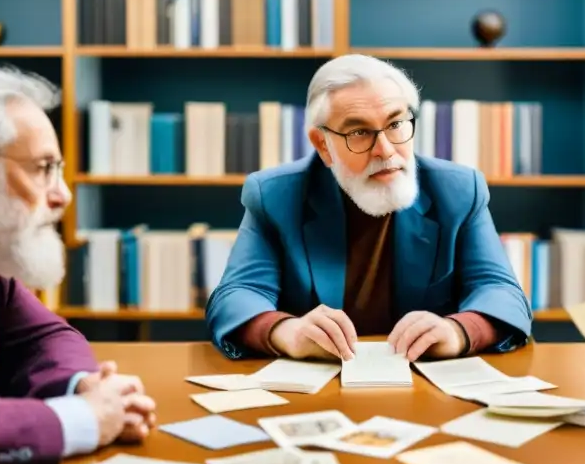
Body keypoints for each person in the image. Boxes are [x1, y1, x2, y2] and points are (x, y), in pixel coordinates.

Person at [206, 53, 532, 362]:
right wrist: (286, 332)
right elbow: (236, 295)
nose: (386, 150)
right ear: (323, 145)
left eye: (395, 124)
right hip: (315, 387)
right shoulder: (275, 195)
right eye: (359, 132)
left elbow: (500, 291)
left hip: (422, 382)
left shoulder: (458, 190)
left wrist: (459, 331)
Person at [0, 64, 156, 464]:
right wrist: (79, 421)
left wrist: (85, 388)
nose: (62, 194)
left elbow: (49, 338)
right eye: (44, 167)